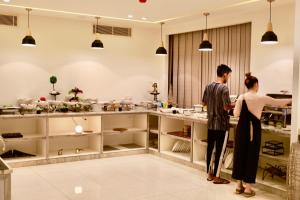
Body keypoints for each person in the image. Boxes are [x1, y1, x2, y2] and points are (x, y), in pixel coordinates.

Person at [232, 73, 291, 197]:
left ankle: (238, 186)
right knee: (251, 157)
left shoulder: (241, 97)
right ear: (256, 85)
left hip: (241, 130)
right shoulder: (260, 98)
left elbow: (236, 114)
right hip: (254, 130)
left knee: (239, 155)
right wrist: (292, 100)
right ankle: (248, 189)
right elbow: (278, 102)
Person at [202, 64, 235, 184]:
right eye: (229, 75)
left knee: (211, 148)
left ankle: (209, 174)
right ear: (225, 74)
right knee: (220, 150)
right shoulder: (224, 88)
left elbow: (204, 103)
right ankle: (217, 176)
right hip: (221, 124)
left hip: (210, 123)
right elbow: (226, 107)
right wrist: (235, 104)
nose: (229, 77)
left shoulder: (208, 86)